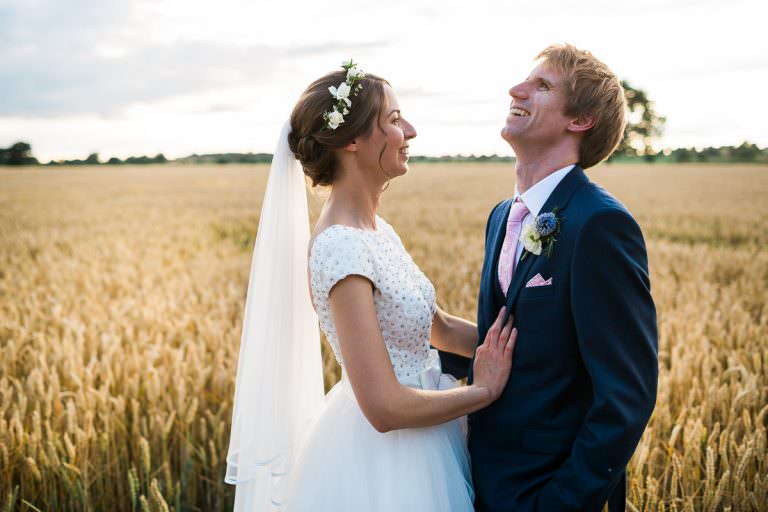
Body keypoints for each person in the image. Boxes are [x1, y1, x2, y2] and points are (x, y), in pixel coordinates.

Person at [225, 60, 518, 511]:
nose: (411, 132)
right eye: (395, 120)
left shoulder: (377, 230)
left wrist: (528, 347)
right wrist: (484, 391)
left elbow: (437, 327)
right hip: (387, 462)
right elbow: (384, 408)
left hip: (428, 438)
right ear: (351, 140)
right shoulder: (340, 246)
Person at [441, 44, 659, 512]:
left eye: (541, 86)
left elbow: (627, 396)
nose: (515, 90)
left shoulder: (599, 224)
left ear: (580, 120)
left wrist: (560, 502)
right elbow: (518, 344)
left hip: (545, 491)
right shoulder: (502, 216)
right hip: (478, 481)